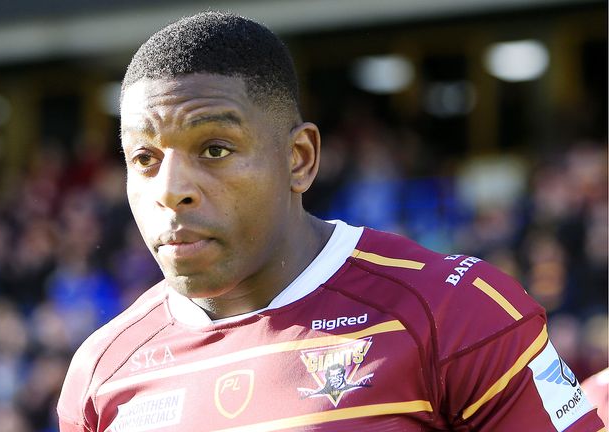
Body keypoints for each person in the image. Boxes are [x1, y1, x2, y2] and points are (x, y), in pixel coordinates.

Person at [58, 11, 606, 431]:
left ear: (299, 159)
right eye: (144, 159)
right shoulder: (100, 372)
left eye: (216, 149)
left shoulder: (456, 312)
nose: (170, 190)